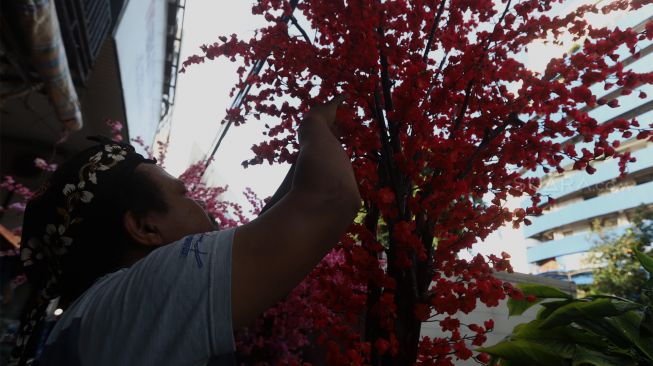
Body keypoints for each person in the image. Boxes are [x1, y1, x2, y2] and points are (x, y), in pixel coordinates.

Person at [10, 96, 360, 365]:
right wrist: (315, 123)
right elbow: (331, 195)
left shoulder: (103, 314)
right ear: (145, 227)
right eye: (184, 194)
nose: (201, 206)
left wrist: (310, 150)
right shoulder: (143, 294)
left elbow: (260, 236)